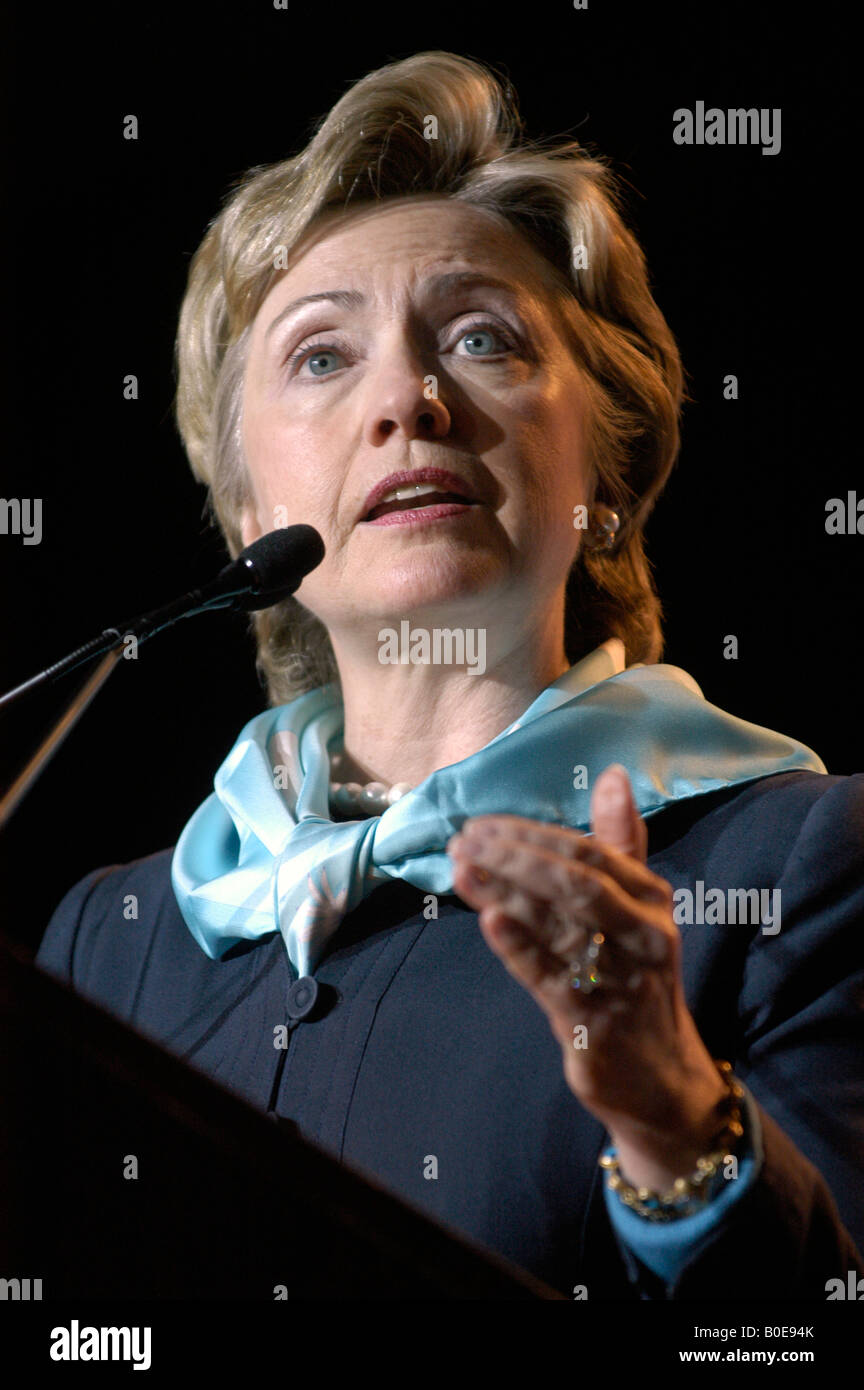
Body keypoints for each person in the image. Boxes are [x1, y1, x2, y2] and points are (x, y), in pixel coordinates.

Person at [37, 50, 864, 1300]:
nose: (408, 401)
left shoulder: (795, 869)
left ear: (606, 461)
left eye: (481, 338)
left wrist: (679, 1123)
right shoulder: (112, 943)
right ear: (245, 497)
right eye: (321, 357)